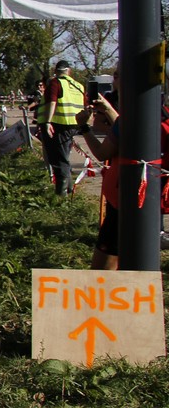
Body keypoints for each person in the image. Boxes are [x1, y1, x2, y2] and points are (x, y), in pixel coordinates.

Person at [78, 67, 122, 269]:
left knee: (103, 269)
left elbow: (103, 152)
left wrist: (84, 127)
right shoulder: (149, 108)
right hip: (133, 196)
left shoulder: (133, 113)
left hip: (122, 197)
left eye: (119, 74)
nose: (114, 78)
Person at [42, 61, 86, 195]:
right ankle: (69, 188)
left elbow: (52, 102)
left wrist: (47, 122)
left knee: (59, 159)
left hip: (60, 124)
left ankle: (62, 194)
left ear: (56, 71)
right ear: (69, 71)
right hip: (74, 125)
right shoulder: (79, 86)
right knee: (64, 157)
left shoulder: (55, 83)